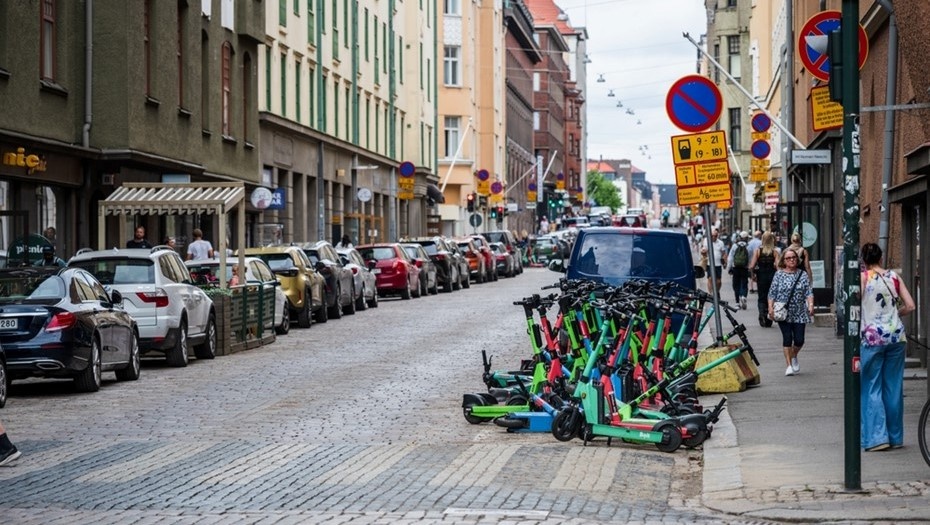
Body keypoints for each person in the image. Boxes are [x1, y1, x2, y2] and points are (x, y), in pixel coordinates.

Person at [859, 242, 915, 452]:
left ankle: (876, 438)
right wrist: (894, 316)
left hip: (872, 339)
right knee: (893, 387)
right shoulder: (894, 277)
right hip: (896, 338)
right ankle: (895, 436)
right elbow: (910, 305)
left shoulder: (864, 278)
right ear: (881, 258)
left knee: (871, 386)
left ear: (864, 260)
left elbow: (856, 303)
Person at [767, 247, 813, 377]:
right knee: (787, 338)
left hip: (799, 311)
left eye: (793, 258)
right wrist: (770, 307)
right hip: (783, 312)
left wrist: (811, 305)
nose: (791, 260)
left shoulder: (802, 274)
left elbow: (808, 292)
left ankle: (793, 356)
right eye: (788, 258)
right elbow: (772, 293)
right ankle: (788, 366)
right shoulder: (779, 274)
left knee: (799, 340)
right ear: (784, 261)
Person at [727, 231, 751, 309]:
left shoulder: (734, 246)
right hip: (745, 268)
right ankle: (744, 296)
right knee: (744, 283)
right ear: (747, 238)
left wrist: (729, 268)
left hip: (736, 268)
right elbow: (750, 259)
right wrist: (751, 269)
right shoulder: (748, 246)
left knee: (736, 285)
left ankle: (737, 303)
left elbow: (730, 258)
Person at [706, 229, 727, 294]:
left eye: (715, 236)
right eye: (712, 236)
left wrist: (725, 262)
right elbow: (703, 251)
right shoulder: (707, 242)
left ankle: (716, 292)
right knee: (710, 278)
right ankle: (711, 293)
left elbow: (724, 253)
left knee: (718, 281)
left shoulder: (720, 243)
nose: (714, 237)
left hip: (718, 264)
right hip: (710, 264)